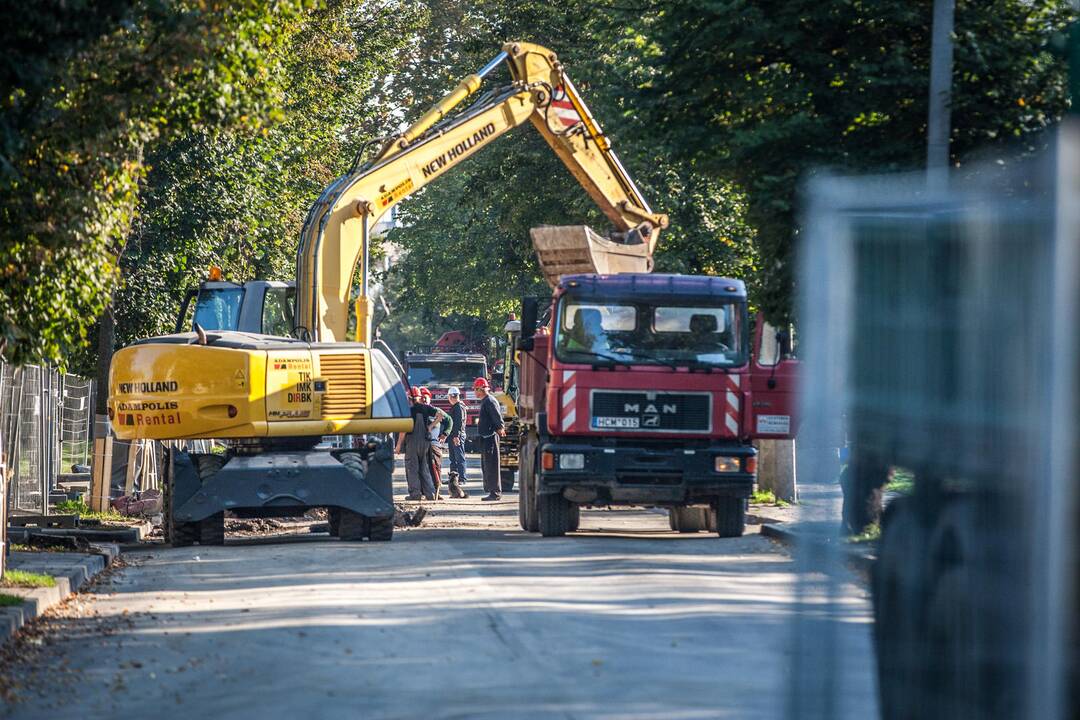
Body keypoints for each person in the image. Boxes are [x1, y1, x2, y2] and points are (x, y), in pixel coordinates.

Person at [395, 387, 447, 501]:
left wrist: (398, 445)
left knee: (412, 468)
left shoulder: (407, 410)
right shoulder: (426, 408)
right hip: (425, 442)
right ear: (419, 397)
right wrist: (430, 426)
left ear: (409, 398)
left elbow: (403, 430)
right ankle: (430, 494)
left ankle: (415, 494)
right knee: (424, 467)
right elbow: (441, 416)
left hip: (412, 442)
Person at [473, 377, 504, 501]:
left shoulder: (490, 401)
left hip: (490, 438)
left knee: (492, 465)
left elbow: (496, 416)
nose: (475, 392)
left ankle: (495, 492)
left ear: (481, 389)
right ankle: (491, 490)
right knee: (487, 465)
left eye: (476, 389)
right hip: (486, 438)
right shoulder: (485, 401)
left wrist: (500, 427)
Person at [444, 386, 469, 498]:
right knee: (453, 458)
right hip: (453, 436)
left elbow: (459, 423)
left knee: (459, 457)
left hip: (456, 436)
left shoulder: (458, 407)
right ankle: (452, 478)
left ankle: (462, 478)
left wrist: (456, 436)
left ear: (451, 396)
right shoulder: (456, 406)